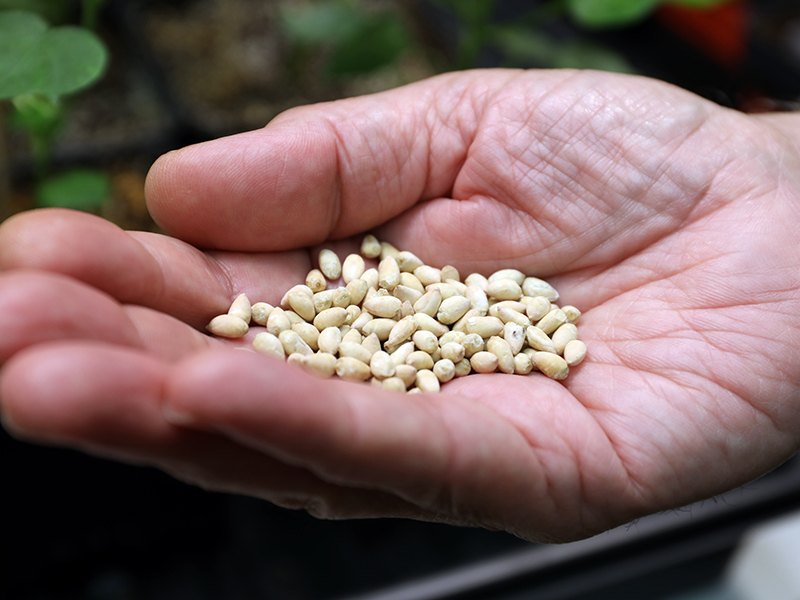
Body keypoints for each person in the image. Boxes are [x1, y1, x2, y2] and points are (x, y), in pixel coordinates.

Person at [0, 68, 798, 544]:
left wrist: (771, 176)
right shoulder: (385, 306)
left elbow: (443, 336)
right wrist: (775, 165)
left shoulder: (463, 311)